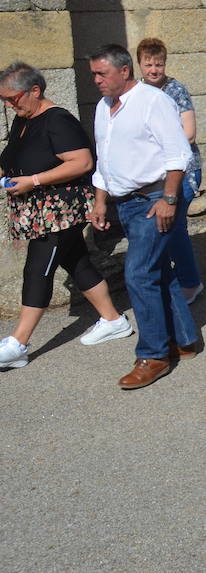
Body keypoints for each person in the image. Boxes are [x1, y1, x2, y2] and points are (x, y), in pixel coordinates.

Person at [0, 63, 132, 370]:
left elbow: (83, 162)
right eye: (3, 100)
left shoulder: (57, 119)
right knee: (76, 261)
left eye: (12, 98)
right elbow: (12, 159)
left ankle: (19, 343)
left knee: (38, 268)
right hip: (41, 210)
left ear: (35, 90)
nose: (8, 105)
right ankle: (114, 320)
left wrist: (33, 181)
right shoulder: (24, 120)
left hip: (61, 209)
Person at [86, 44, 199, 390]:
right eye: (93, 74)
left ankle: (154, 354)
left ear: (123, 71)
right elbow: (105, 160)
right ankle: (183, 339)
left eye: (101, 73)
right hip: (125, 202)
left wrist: (169, 198)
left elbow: (178, 153)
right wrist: (100, 201)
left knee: (138, 273)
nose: (96, 81)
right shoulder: (104, 107)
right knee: (157, 270)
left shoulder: (153, 100)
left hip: (154, 199)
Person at [136, 38, 204, 303]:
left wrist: (155, 148)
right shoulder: (137, 91)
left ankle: (190, 282)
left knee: (174, 227)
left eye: (159, 64)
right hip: (152, 171)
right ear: (139, 64)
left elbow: (188, 133)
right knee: (158, 227)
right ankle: (165, 278)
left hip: (183, 170)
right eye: (148, 64)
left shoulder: (175, 90)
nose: (154, 70)